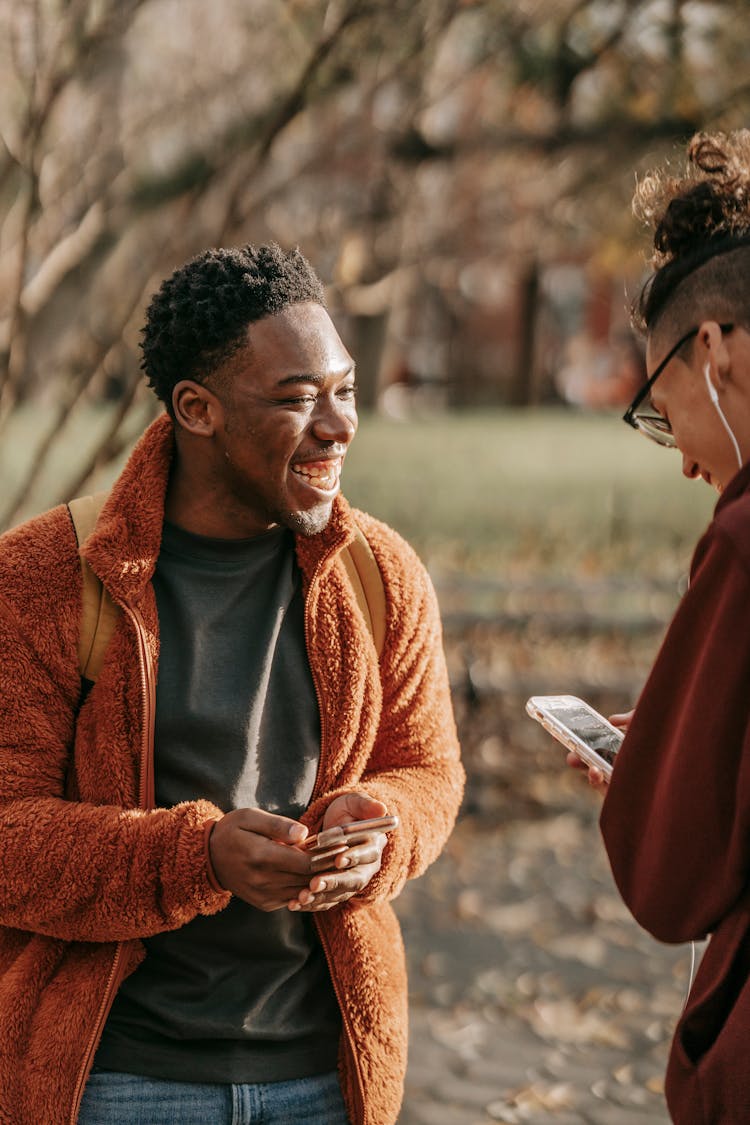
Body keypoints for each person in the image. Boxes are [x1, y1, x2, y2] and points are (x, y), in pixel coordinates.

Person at [0, 243, 464, 1125]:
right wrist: (197, 856)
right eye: (297, 399)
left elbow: (430, 770)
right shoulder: (41, 578)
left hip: (327, 1075)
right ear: (197, 409)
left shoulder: (381, 575)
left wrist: (384, 824)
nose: (339, 426)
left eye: (346, 389)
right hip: (116, 1079)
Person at [574, 130, 750, 1124]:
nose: (683, 459)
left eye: (660, 408)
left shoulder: (743, 542)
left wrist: (653, 783)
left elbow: (672, 876)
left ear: (713, 349)